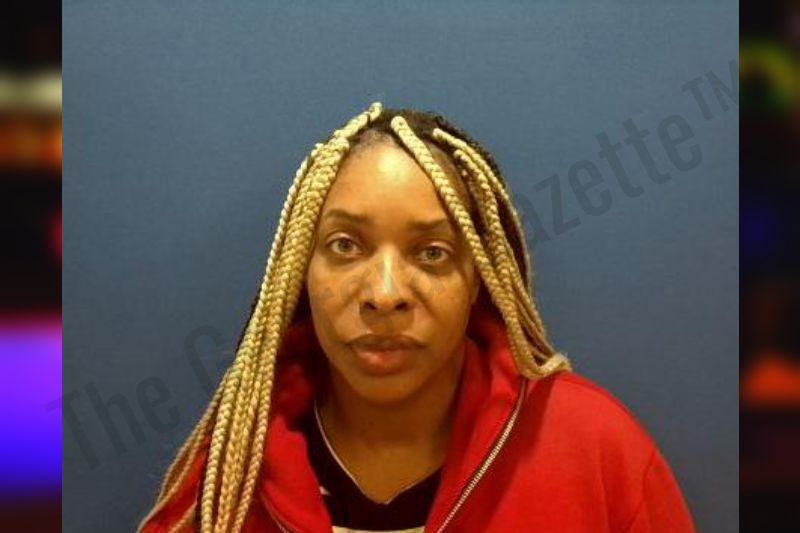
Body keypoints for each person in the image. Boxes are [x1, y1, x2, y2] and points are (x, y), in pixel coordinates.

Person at [137, 103, 695, 533]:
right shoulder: (229, 478)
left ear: (477, 278)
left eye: (432, 252)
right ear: (299, 270)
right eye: (345, 246)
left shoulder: (597, 451)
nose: (385, 295)